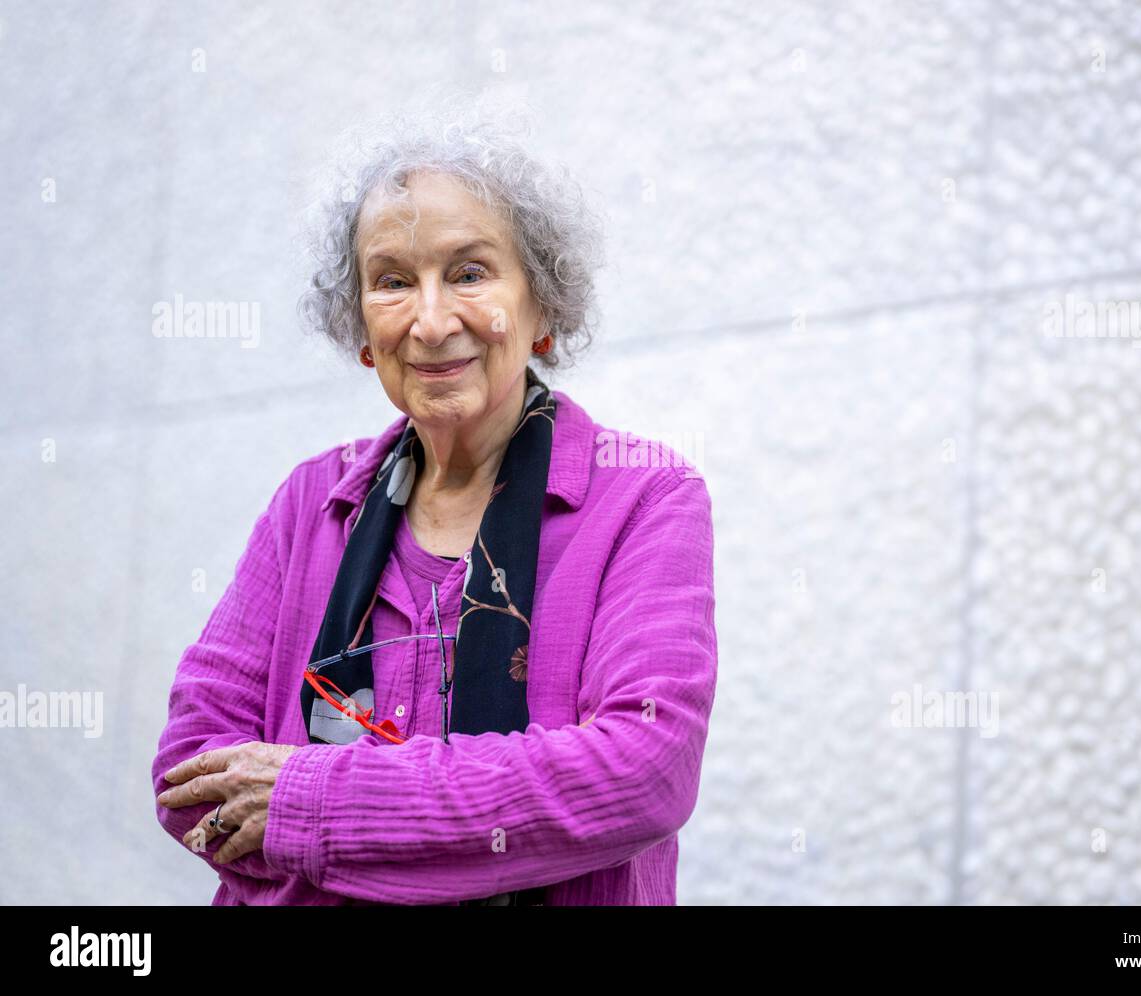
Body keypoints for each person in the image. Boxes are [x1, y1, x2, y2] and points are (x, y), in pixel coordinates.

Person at [152, 103, 718, 905]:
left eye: (470, 272)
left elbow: (642, 772)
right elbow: (193, 774)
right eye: (391, 282)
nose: (429, 320)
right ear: (360, 329)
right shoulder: (311, 502)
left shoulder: (645, 498)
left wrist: (314, 806)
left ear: (542, 308)